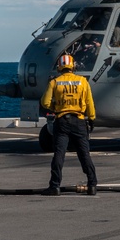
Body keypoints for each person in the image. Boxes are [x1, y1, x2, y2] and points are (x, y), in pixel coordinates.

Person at [40, 54, 98, 196]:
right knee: (84, 154)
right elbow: (90, 103)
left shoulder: (55, 82)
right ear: (73, 66)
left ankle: (55, 186)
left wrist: (56, 107)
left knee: (59, 154)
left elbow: (45, 102)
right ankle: (92, 185)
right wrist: (91, 118)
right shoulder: (82, 81)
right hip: (79, 121)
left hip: (62, 121)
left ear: (60, 67)